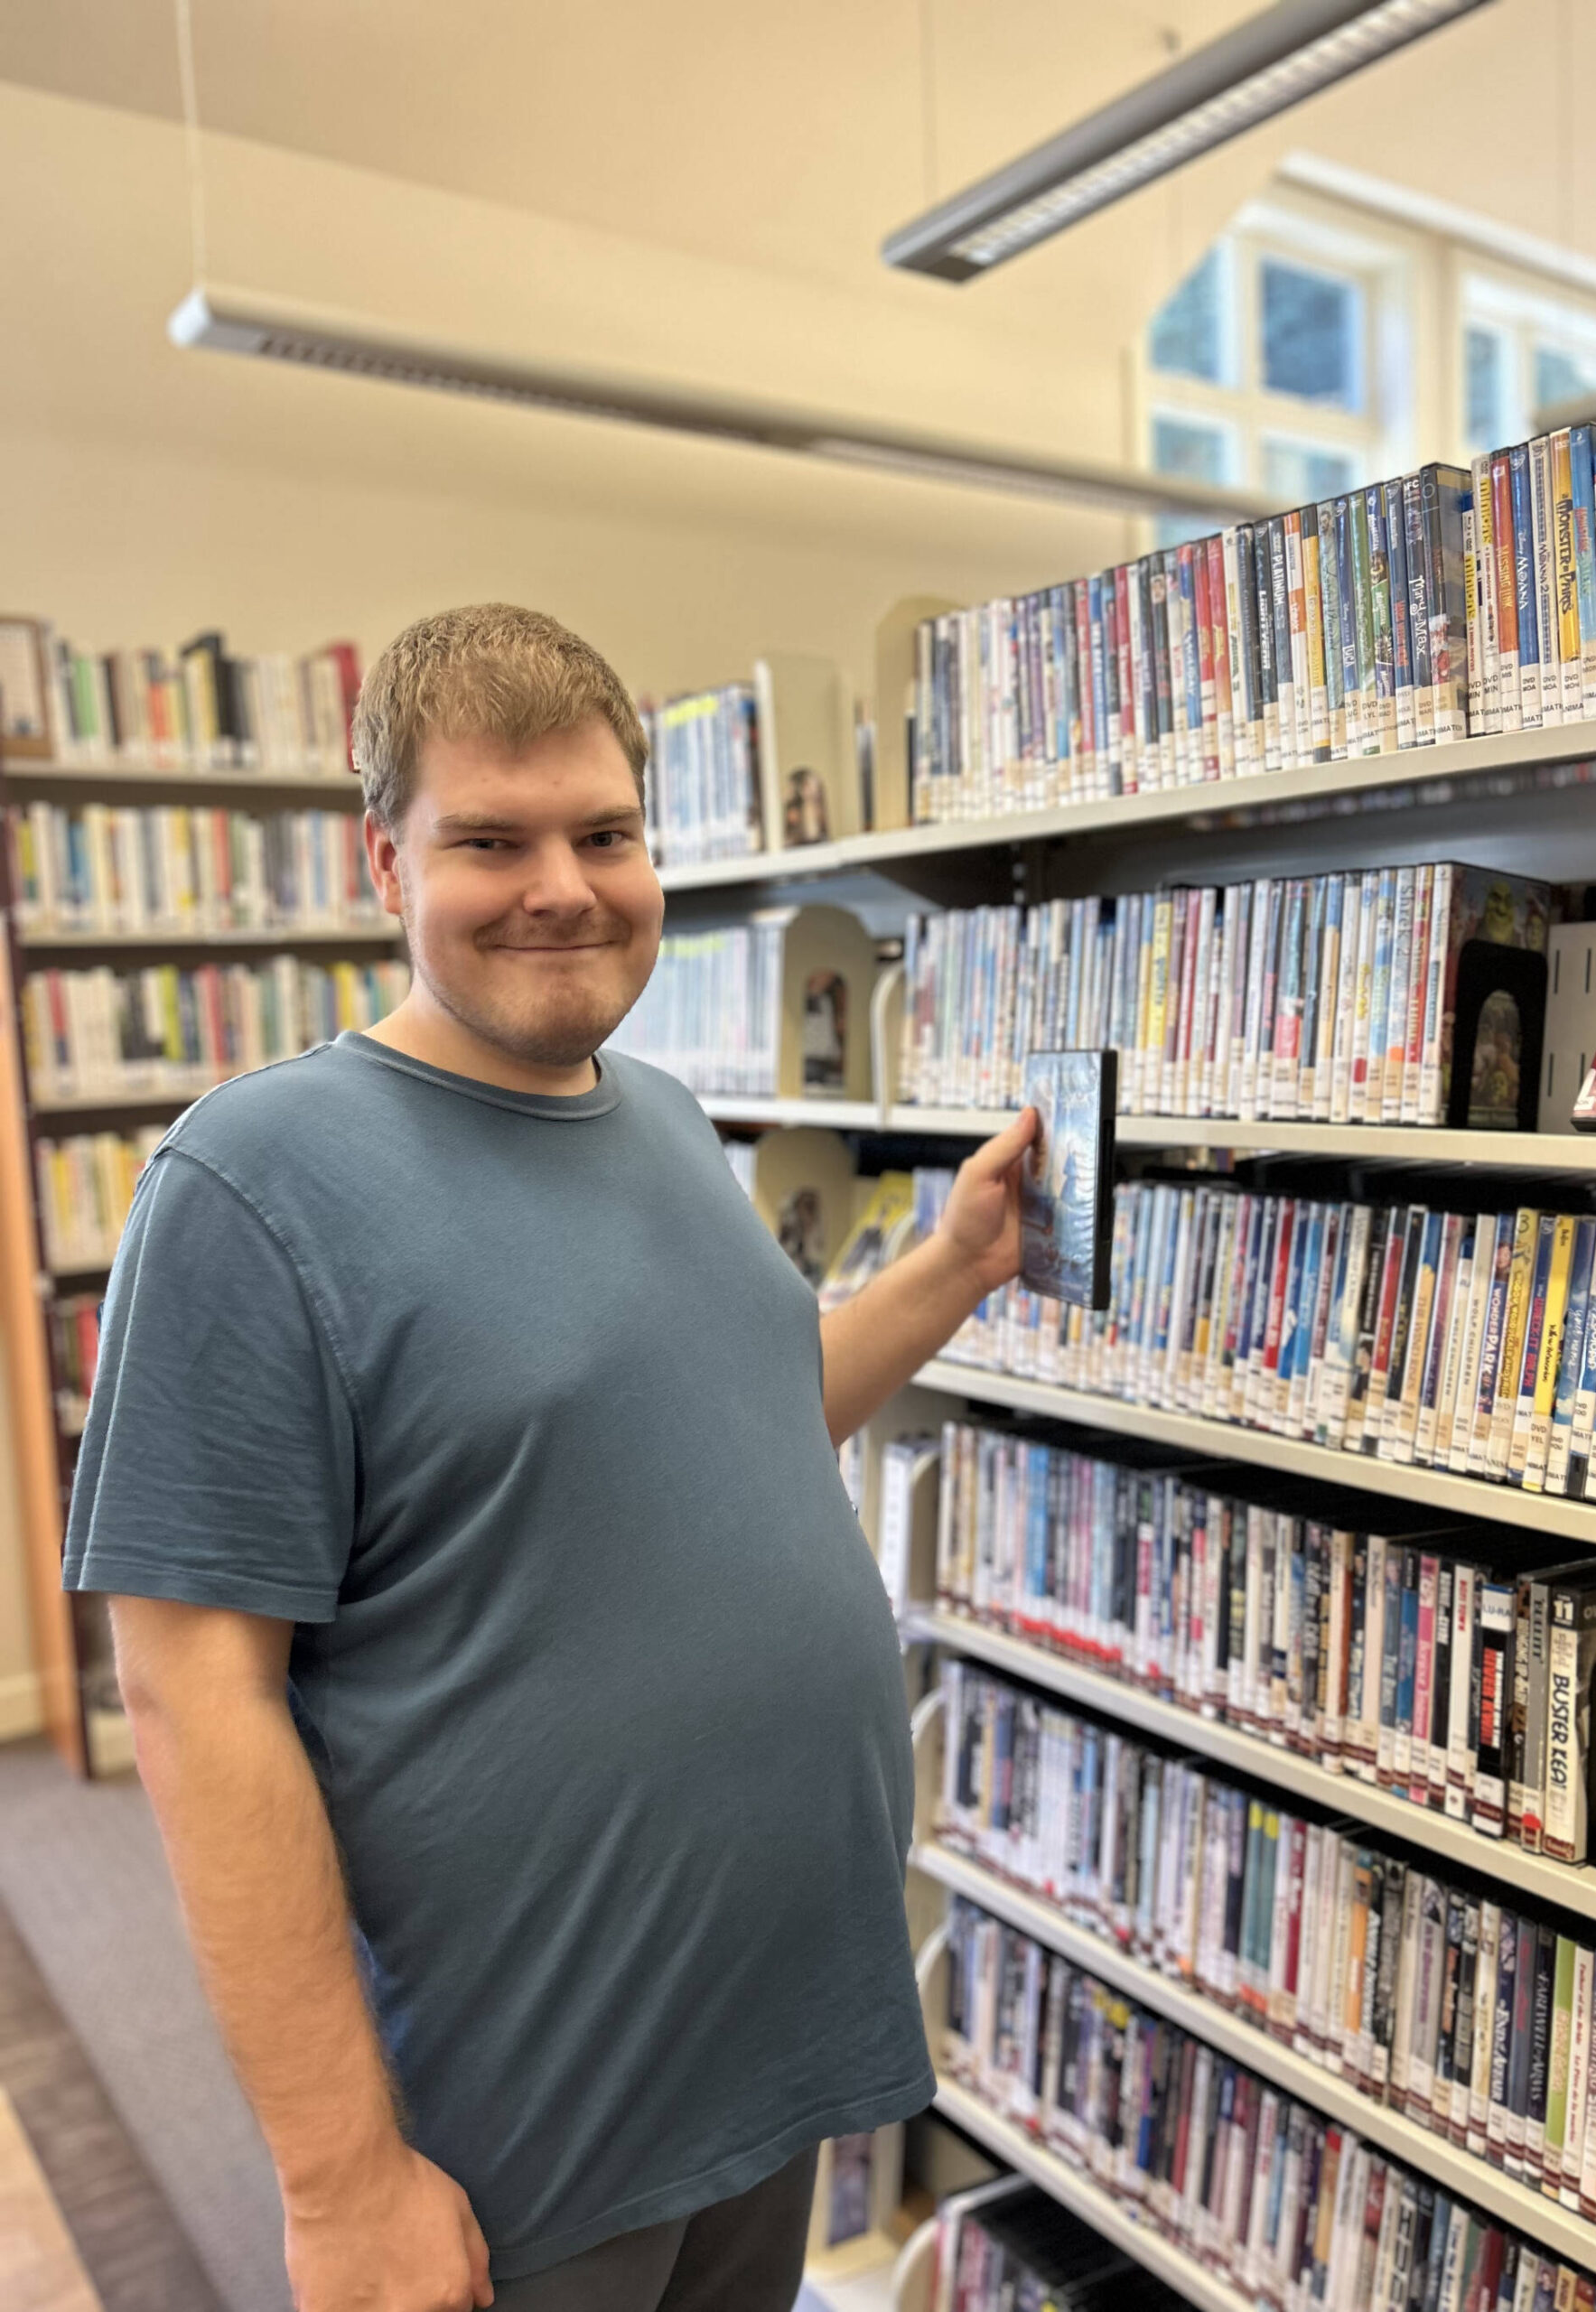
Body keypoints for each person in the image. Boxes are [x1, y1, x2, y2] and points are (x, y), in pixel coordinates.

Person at [63, 603, 1037, 2312]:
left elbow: (737, 1415)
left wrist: (951, 1265)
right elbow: (189, 1697)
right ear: (385, 862)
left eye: (604, 833)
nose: (562, 887)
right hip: (526, 2118)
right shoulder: (247, 1183)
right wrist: (342, 2177)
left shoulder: (660, 1115)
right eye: (489, 840)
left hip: (761, 2042)